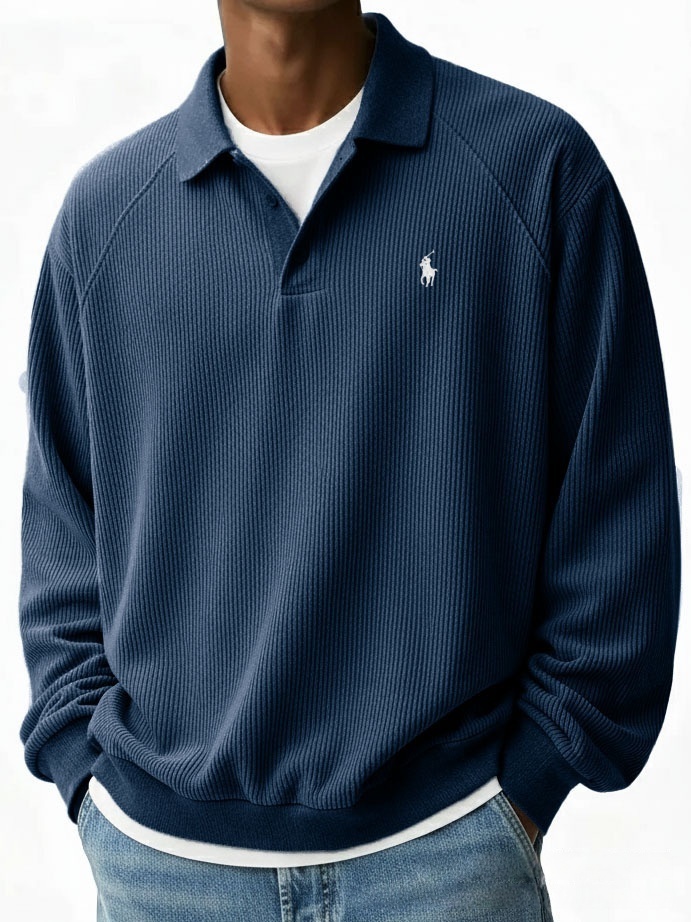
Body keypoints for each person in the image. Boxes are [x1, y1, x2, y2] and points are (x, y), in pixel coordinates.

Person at [17, 1, 681, 919]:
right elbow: (63, 536)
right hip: (164, 873)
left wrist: (532, 781)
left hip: (445, 860)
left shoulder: (533, 172)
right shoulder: (106, 218)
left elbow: (619, 512)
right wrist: (86, 777)